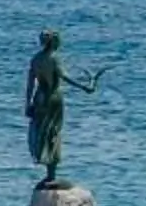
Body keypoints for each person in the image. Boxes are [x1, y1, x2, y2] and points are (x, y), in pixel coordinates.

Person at [23, 29, 108, 185]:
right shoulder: (54, 59)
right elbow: (64, 77)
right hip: (53, 100)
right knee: (53, 133)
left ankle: (49, 173)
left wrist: (27, 103)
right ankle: (51, 174)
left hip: (39, 99)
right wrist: (84, 87)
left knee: (42, 132)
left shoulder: (35, 60)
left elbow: (30, 85)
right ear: (54, 42)